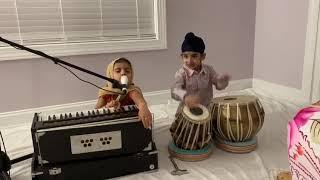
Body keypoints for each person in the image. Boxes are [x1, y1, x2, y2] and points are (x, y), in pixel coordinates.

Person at [171, 32, 231, 108]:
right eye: (186, 56)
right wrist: (185, 97)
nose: (189, 61)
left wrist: (222, 81)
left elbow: (219, 86)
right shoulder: (181, 73)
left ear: (203, 56)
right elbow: (174, 90)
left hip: (207, 108)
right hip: (188, 111)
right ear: (181, 57)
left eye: (194, 56)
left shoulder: (209, 70)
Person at [95, 57, 152, 128]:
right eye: (118, 71)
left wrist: (143, 107)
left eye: (127, 71)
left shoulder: (132, 90)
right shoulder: (105, 92)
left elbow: (141, 103)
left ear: (132, 75)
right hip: (110, 126)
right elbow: (96, 112)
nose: (123, 73)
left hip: (129, 125)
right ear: (110, 74)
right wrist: (108, 107)